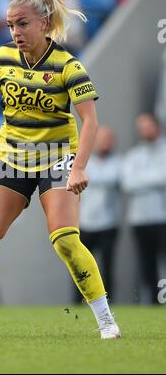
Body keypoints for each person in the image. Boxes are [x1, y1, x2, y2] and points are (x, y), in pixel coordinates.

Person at [0, 0, 121, 339]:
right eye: (11, 25)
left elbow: (90, 120)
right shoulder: (0, 59)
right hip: (9, 157)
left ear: (44, 24)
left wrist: (79, 167)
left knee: (64, 239)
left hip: (57, 156)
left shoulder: (68, 65)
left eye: (22, 24)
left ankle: (106, 320)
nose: (15, 33)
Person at [121, 113, 166, 303]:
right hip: (139, 219)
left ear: (157, 127)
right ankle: (156, 303)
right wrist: (153, 178)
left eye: (147, 126)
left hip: (162, 217)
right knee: (148, 263)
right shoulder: (134, 155)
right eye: (141, 127)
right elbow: (128, 183)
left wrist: (142, 178)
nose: (144, 131)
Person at [78, 126, 122, 300]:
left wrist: (92, 179)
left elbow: (115, 178)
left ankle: (108, 302)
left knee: (107, 266)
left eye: (108, 139)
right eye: (101, 139)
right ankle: (79, 301)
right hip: (85, 222)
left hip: (108, 223)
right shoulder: (84, 162)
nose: (105, 143)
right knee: (81, 267)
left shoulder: (118, 161)